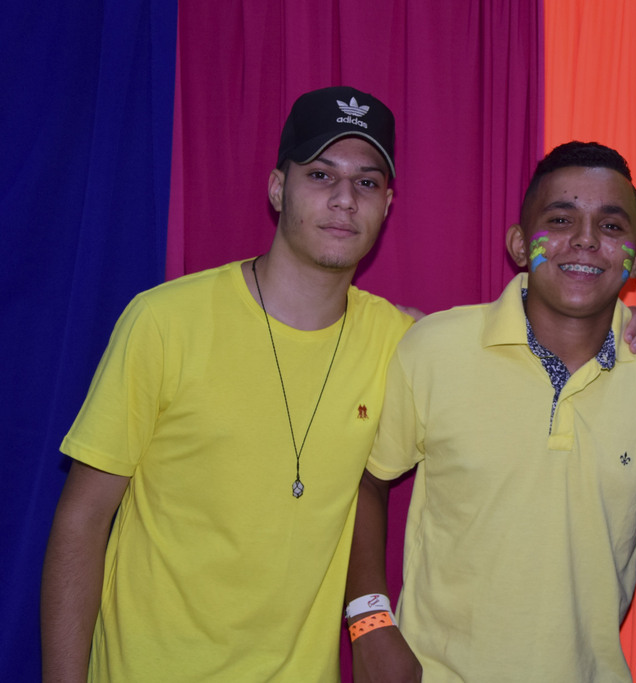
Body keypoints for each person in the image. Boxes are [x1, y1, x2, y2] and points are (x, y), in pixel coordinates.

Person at [40, 86, 415, 682]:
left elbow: (510, 351)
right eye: (321, 175)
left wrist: (610, 320)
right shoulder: (165, 321)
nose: (344, 199)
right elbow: (82, 520)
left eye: (366, 182)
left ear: (387, 204)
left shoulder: (399, 343)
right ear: (278, 188)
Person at [345, 142, 636, 682]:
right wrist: (369, 623)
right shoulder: (435, 347)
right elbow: (366, 481)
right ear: (517, 243)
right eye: (560, 220)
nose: (585, 239)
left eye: (611, 226)